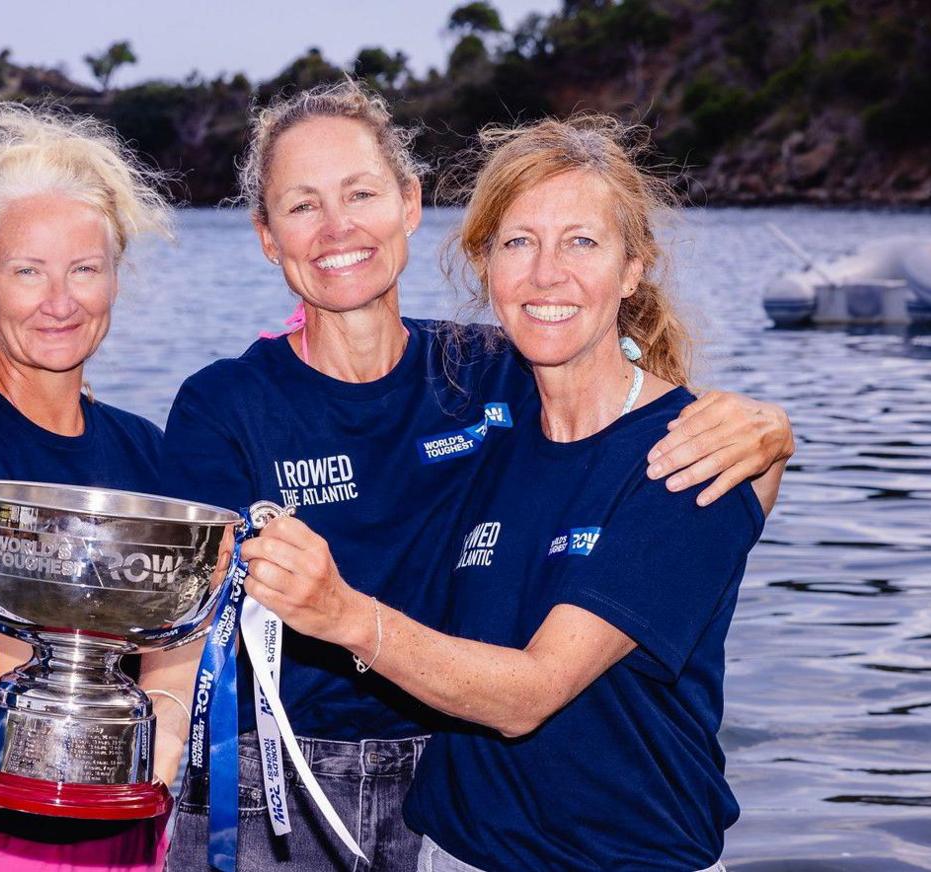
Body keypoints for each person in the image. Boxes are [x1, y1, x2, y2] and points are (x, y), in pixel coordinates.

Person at [159, 81, 793, 871]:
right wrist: (152, 760)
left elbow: (539, 680)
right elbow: (177, 622)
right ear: (264, 235)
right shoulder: (233, 404)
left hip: (480, 790)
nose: (337, 227)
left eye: (360, 192)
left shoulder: (502, 381)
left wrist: (766, 433)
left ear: (411, 204)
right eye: (519, 243)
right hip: (334, 798)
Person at [0, 104, 187, 872]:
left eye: (84, 269)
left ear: (115, 277)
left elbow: (177, 645)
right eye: (27, 271)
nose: (60, 301)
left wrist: (160, 741)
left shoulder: (147, 455)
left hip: (134, 829)